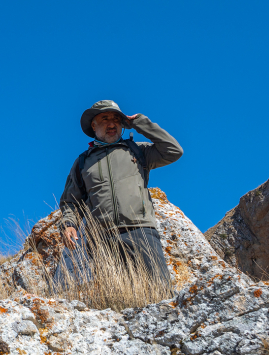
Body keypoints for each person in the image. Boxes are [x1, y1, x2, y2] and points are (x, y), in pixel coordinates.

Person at [57, 99, 183, 286]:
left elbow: (173, 150)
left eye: (116, 119)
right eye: (105, 118)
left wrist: (139, 123)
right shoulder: (83, 162)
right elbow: (71, 201)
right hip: (102, 241)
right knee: (117, 301)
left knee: (159, 292)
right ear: (93, 125)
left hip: (142, 232)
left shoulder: (137, 150)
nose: (111, 123)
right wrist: (68, 224)